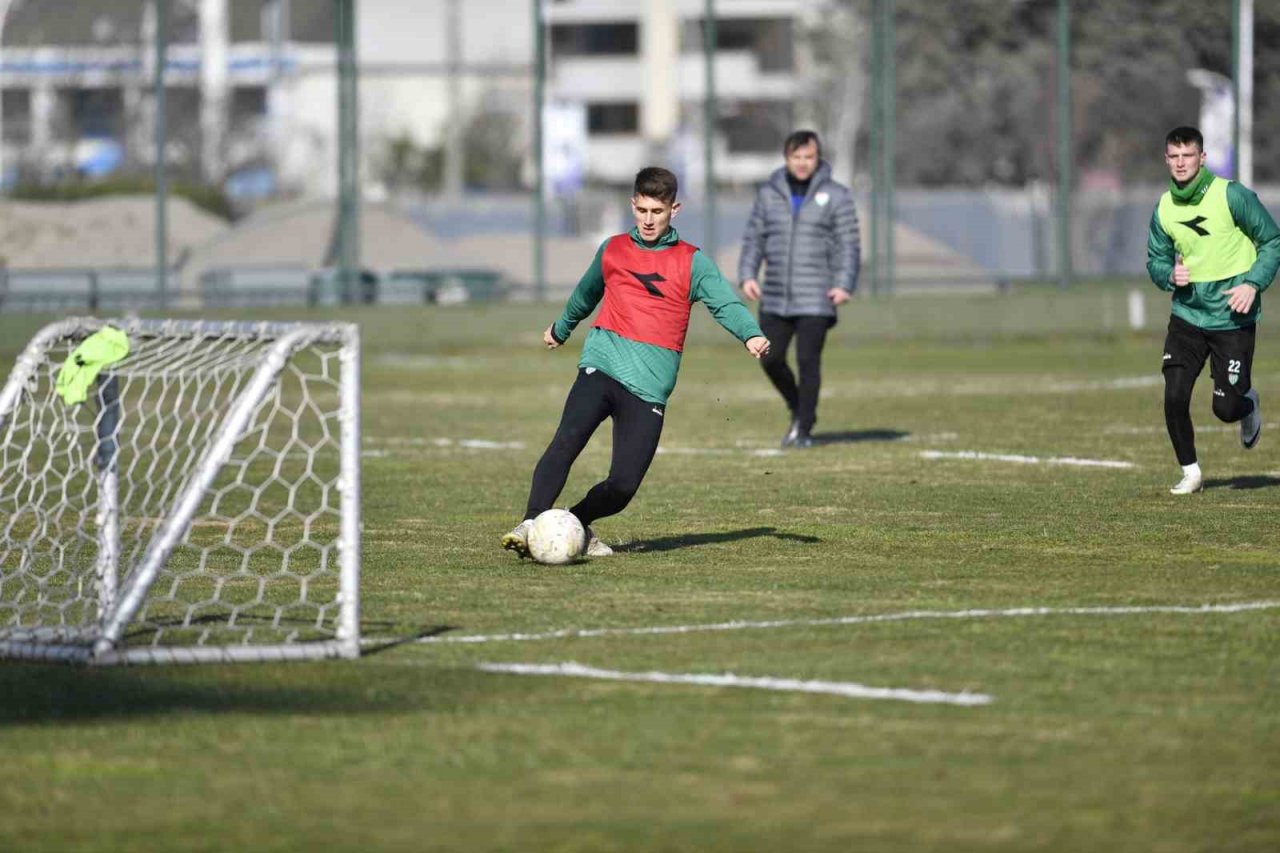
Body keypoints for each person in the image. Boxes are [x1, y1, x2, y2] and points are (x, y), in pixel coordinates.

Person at [502, 166, 771, 557]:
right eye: (642, 210)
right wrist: (561, 329)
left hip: (648, 388)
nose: (648, 220)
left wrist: (750, 333)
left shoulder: (692, 262)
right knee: (566, 441)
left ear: (674, 210)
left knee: (623, 486)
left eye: (656, 212)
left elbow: (725, 303)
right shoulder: (612, 249)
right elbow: (585, 293)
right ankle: (530, 522)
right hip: (601, 365)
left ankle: (574, 524)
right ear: (633, 205)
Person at [1146, 125, 1280, 495]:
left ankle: (1247, 403)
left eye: (1187, 155)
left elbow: (1272, 240)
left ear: (1202, 158)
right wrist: (1169, 274)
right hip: (1187, 316)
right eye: (1174, 156)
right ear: (1166, 160)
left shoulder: (1232, 195)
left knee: (1226, 408)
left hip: (1232, 317)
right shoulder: (1163, 208)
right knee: (1174, 395)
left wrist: (1252, 284)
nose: (1181, 163)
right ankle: (1191, 472)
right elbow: (1156, 260)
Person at [738, 129, 861, 448]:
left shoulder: (836, 195)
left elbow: (848, 243)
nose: (803, 163)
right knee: (769, 358)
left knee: (808, 362)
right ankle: (799, 408)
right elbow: (754, 237)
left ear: (818, 158)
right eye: (797, 157)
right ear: (786, 158)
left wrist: (844, 283)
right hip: (775, 296)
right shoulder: (769, 194)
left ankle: (803, 429)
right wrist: (747, 274)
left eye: (809, 157)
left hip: (817, 296)